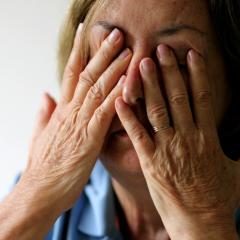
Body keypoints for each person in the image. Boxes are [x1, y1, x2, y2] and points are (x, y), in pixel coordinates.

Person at [0, 0, 240, 239]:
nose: (131, 92)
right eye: (112, 55)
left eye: (173, 61)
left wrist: (207, 224)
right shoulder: (44, 195)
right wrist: (30, 203)